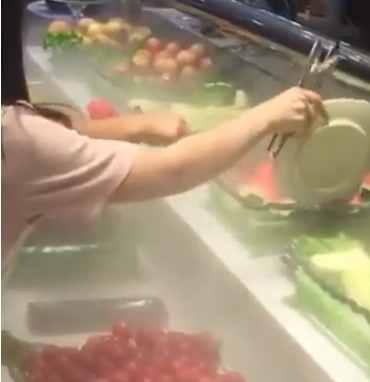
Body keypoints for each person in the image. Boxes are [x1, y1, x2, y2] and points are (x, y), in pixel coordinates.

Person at [2, 5, 326, 280]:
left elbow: (45, 138)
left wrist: (133, 126)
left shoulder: (16, 133)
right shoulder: (15, 138)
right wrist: (267, 116)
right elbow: (173, 171)